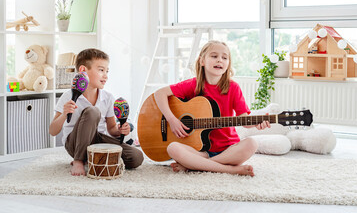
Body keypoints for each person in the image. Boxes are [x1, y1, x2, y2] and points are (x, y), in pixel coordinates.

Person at [154, 40, 270, 176]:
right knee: (173, 147)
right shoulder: (193, 84)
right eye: (214, 56)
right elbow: (159, 93)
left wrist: (257, 123)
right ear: (202, 61)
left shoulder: (233, 87)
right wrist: (172, 120)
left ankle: (195, 165)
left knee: (251, 143)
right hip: (200, 150)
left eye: (224, 58)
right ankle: (230, 170)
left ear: (228, 64)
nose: (219, 60)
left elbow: (243, 119)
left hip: (229, 149)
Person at [49, 48, 144, 176]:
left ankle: (91, 158)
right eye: (101, 70)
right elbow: (53, 131)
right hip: (74, 143)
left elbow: (111, 129)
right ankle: (78, 160)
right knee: (93, 112)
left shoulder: (108, 98)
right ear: (83, 70)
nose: (105, 75)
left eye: (107, 71)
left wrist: (120, 130)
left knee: (136, 157)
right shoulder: (68, 96)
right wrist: (64, 114)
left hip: (98, 140)